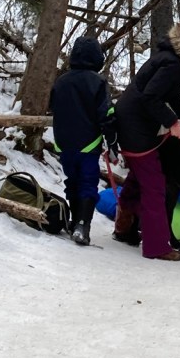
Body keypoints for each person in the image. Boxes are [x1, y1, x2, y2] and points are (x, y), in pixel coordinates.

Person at [114, 18, 180, 261]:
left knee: (137, 177)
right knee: (155, 186)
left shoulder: (176, 61)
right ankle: (156, 247)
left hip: (135, 123)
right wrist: (172, 123)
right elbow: (150, 97)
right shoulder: (174, 64)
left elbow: (173, 97)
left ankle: (123, 227)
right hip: (135, 126)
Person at [50, 35, 119, 247]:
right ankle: (82, 224)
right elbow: (106, 113)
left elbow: (53, 106)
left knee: (72, 180)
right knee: (88, 181)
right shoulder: (97, 82)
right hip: (88, 142)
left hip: (63, 142)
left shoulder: (61, 81)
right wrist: (112, 142)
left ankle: (74, 221)